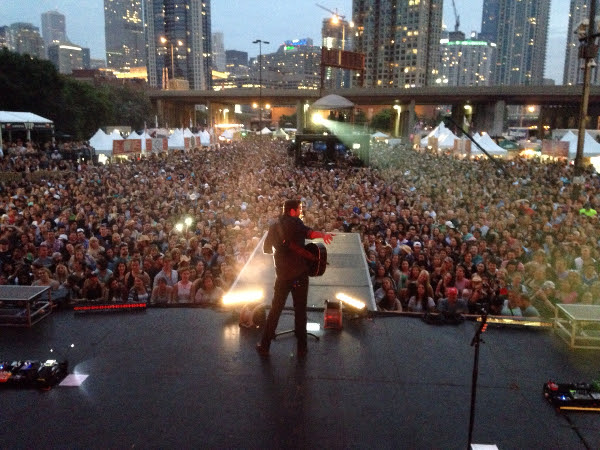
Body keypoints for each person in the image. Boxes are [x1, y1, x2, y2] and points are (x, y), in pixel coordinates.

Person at [256, 199, 334, 357]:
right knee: (300, 311)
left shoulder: (273, 226)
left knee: (275, 310)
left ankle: (265, 345)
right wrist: (323, 235)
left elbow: (266, 249)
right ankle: (302, 348)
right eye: (299, 208)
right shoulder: (297, 223)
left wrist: (280, 252)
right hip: (299, 275)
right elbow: (311, 234)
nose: (301, 211)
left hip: (282, 276)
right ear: (292, 211)